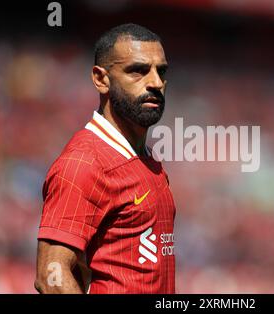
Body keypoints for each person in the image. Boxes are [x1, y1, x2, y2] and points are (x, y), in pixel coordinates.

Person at [34, 23, 176, 294]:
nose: (156, 82)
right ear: (101, 79)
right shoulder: (84, 164)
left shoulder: (145, 160)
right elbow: (50, 277)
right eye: (138, 70)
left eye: (162, 71)